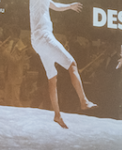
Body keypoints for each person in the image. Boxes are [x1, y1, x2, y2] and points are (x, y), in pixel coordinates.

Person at [30, 0, 96, 128]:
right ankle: (84, 101)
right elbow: (55, 6)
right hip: (44, 36)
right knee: (72, 64)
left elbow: (54, 6)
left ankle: (57, 115)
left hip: (36, 41)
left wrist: (70, 6)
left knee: (52, 78)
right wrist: (70, 6)